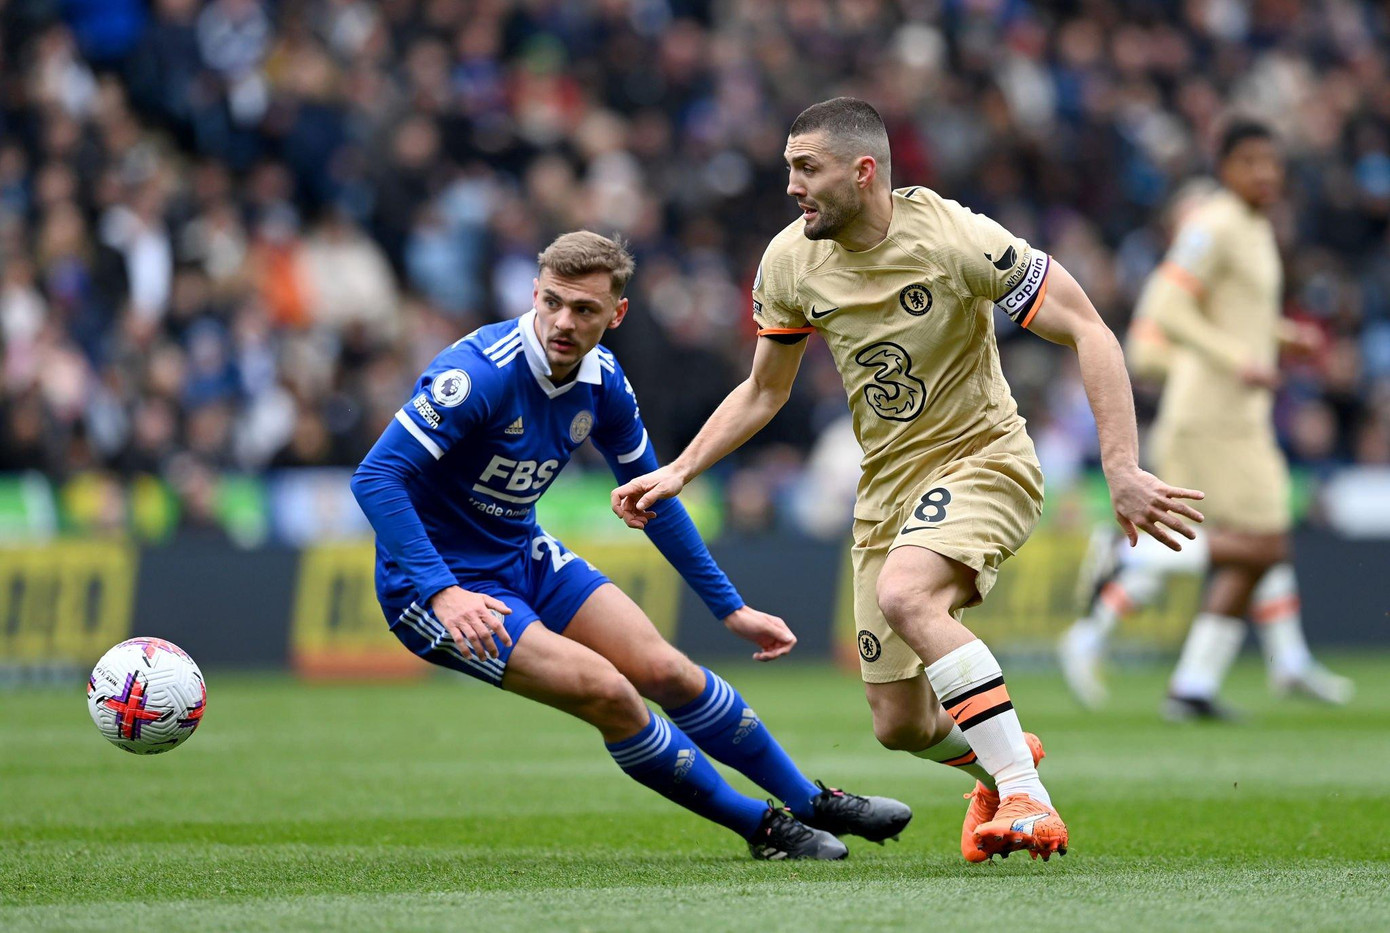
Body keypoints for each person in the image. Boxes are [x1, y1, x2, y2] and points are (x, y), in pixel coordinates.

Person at [612, 98, 1205, 863]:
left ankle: (1026, 792)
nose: (791, 185)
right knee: (900, 723)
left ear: (864, 172)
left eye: (806, 168)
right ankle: (997, 762)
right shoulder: (789, 260)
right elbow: (765, 389)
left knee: (908, 593)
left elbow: (1089, 327)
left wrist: (1120, 465)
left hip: (981, 458)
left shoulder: (956, 237)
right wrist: (681, 468)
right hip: (886, 492)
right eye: (788, 167)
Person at [350, 231, 911, 861]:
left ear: (615, 314)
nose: (564, 322)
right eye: (553, 303)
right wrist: (443, 591)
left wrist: (730, 608)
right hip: (434, 588)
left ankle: (812, 800)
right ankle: (764, 828)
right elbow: (376, 477)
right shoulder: (479, 375)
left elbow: (654, 495)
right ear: (534, 293)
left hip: (520, 554)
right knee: (610, 692)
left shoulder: (603, 382)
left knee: (666, 670)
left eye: (585, 310)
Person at [1060, 120, 1352, 718]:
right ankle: (1116, 597)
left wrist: (1276, 336)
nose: (1266, 173)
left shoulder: (1254, 227)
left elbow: (1232, 313)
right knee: (1254, 540)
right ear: (1223, 168)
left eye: (1272, 162)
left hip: (1238, 413)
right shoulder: (1213, 224)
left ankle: (1195, 682)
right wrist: (1239, 357)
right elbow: (1165, 308)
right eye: (1250, 162)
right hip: (1209, 414)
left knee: (1256, 546)